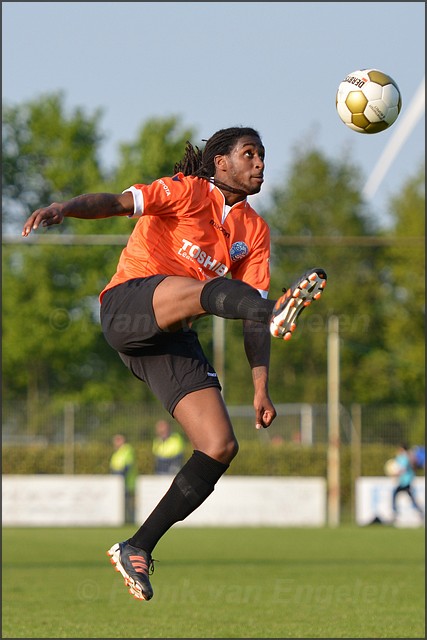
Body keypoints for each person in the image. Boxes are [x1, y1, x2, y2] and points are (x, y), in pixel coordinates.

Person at [22, 125, 327, 601]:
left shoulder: (255, 231)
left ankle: (137, 547)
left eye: (263, 156)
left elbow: (248, 320)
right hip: (128, 307)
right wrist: (66, 208)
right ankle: (276, 310)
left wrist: (260, 386)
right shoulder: (185, 192)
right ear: (221, 162)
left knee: (220, 444)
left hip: (172, 333)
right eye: (250, 154)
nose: (261, 164)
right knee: (210, 296)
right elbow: (117, 202)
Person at [391, 443, 424, 523]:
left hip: (406, 482)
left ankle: (395, 513)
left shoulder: (406, 457)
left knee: (395, 494)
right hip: (403, 482)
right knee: (408, 497)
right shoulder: (401, 457)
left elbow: (403, 469)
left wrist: (396, 473)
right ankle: (420, 512)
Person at [109, 433, 137, 524]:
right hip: (118, 483)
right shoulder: (116, 453)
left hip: (127, 481)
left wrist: (120, 475)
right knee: (121, 503)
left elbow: (127, 465)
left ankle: (130, 521)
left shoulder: (127, 449)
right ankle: (125, 520)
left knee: (128, 503)